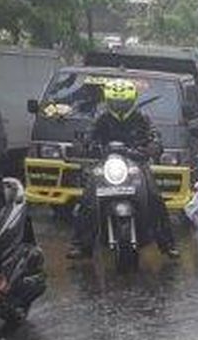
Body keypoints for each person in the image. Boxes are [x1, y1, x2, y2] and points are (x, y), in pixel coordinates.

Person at [68, 79, 179, 260]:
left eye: (123, 101)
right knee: (87, 199)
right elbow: (88, 136)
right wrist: (83, 145)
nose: (119, 105)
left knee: (155, 197)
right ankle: (80, 244)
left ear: (132, 99)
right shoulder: (101, 118)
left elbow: (154, 136)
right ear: (108, 100)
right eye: (115, 101)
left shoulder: (142, 117)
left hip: (137, 162)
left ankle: (167, 243)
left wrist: (153, 146)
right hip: (105, 163)